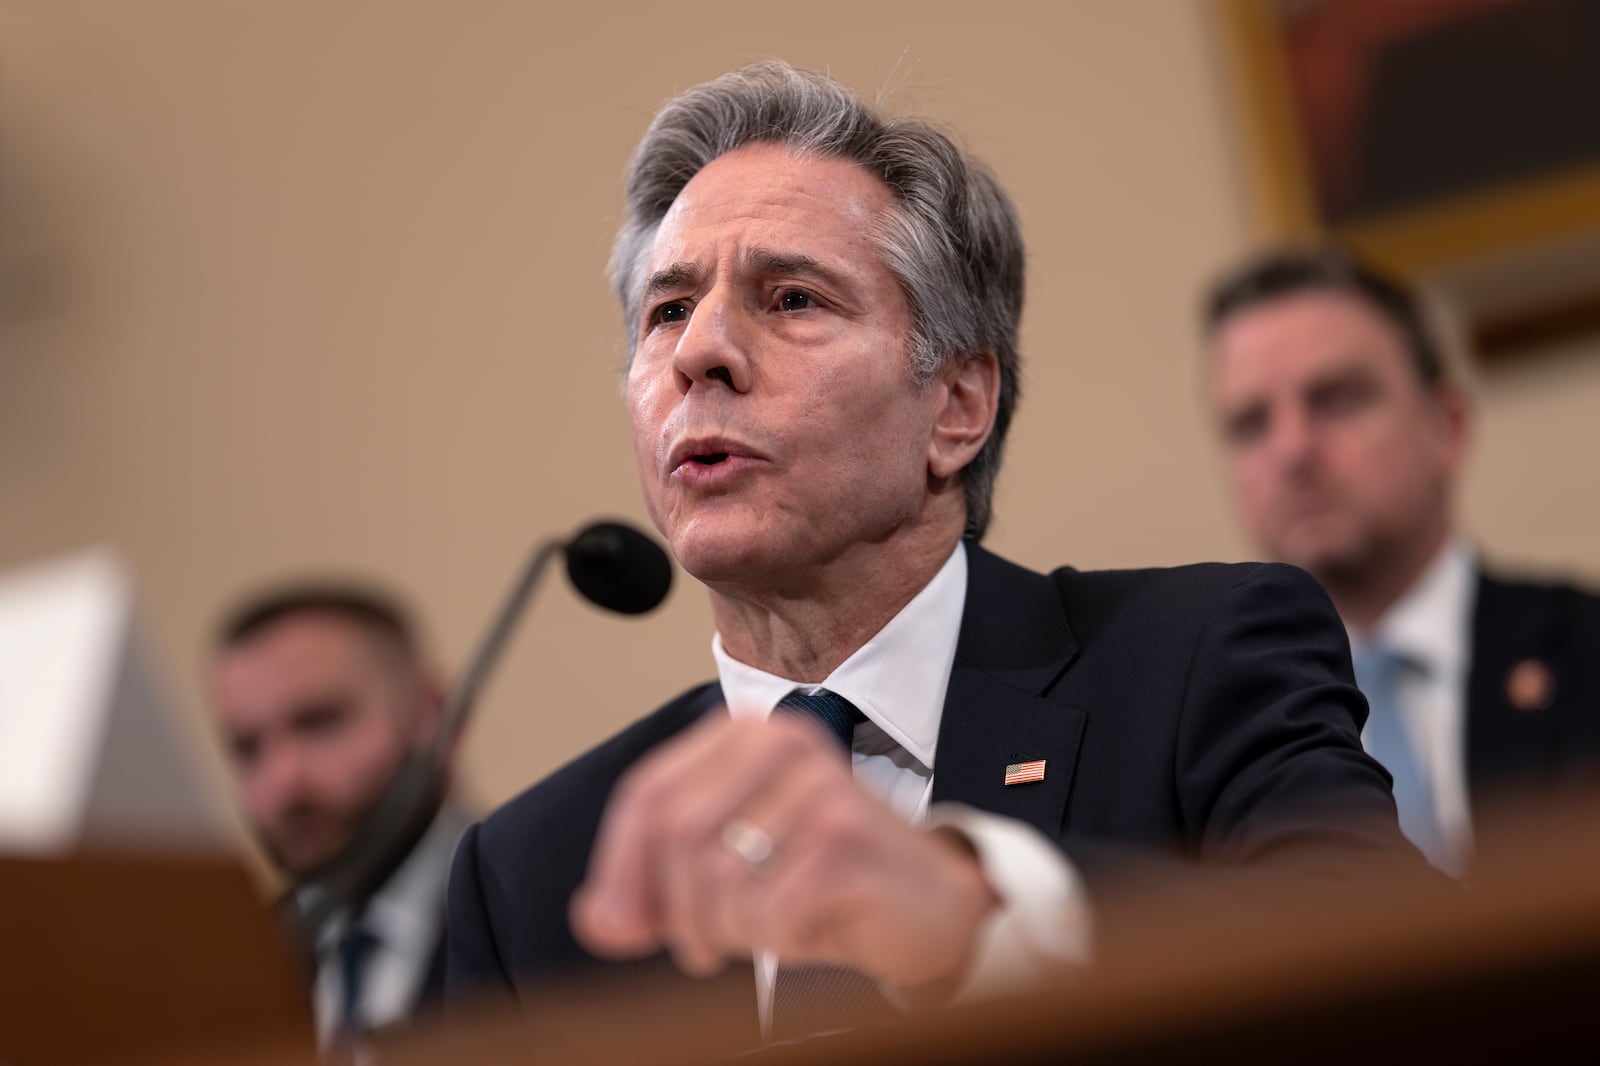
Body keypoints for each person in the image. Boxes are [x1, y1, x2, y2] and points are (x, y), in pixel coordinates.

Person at [446, 62, 1421, 1045]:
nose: (701, 351)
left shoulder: (1198, 659)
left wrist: (972, 906)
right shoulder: (533, 872)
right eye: (666, 311)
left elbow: (1398, 961)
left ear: (957, 407)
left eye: (789, 298)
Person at [1202, 245, 1600, 876]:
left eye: (1336, 399)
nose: (1293, 449)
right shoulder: (1208, 733)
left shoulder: (1586, 651)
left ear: (1447, 426)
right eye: (1251, 424)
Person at [209, 583, 470, 1049]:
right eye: (247, 749)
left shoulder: (547, 903)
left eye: (319, 722)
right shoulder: (232, 968)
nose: (283, 781)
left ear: (432, 715)